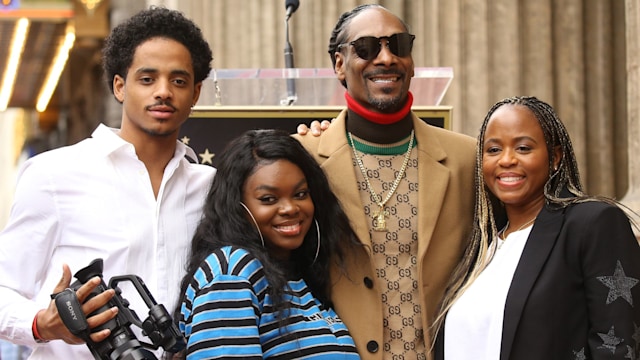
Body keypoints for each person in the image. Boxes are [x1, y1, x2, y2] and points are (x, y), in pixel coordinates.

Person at [0, 7, 214, 359]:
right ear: (119, 86)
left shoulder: (212, 187)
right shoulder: (54, 174)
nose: (163, 92)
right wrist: (42, 323)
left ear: (195, 94)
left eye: (178, 81)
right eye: (147, 79)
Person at [293, 4, 476, 359]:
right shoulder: (303, 160)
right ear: (339, 64)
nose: (387, 58)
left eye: (399, 45)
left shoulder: (468, 160)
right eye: (366, 48)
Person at [433, 96, 640, 359]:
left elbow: (619, 346)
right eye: (494, 150)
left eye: (523, 148)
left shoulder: (591, 224)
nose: (506, 160)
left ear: (554, 157)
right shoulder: (480, 246)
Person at [176, 129, 361, 359]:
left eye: (301, 194)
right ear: (237, 207)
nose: (290, 208)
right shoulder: (232, 272)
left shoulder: (299, 276)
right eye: (268, 199)